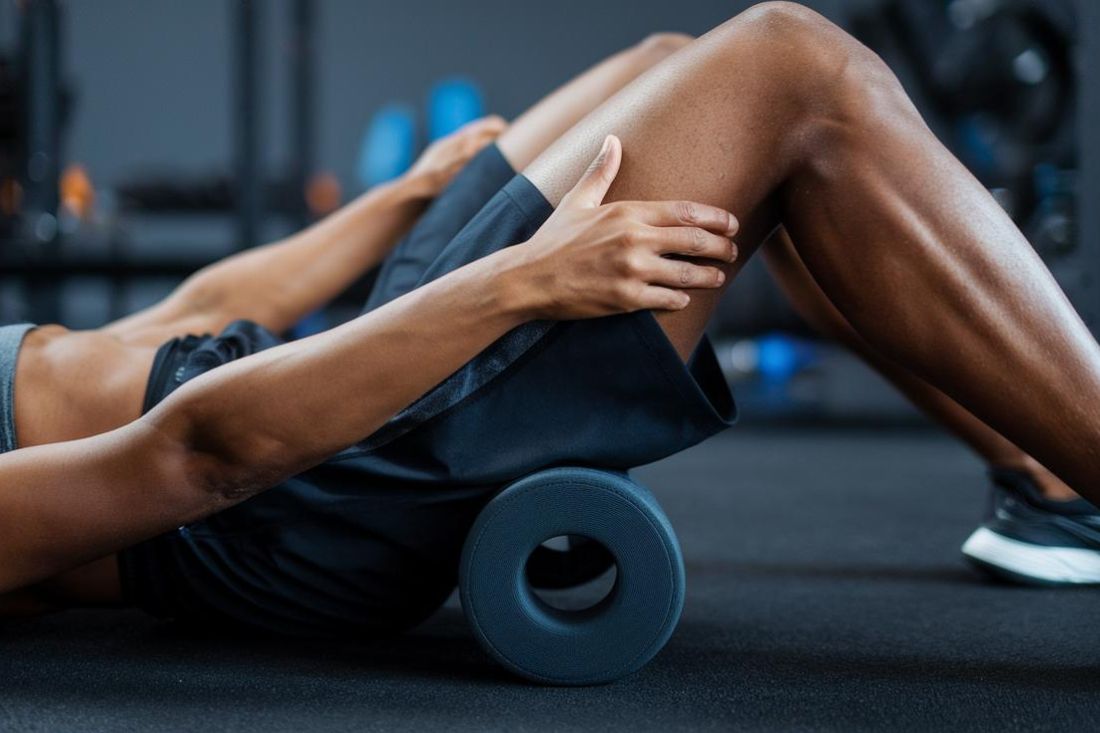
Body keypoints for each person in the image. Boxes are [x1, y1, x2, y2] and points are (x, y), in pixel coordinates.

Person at [2, 3, 1098, 629]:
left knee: (670, 65)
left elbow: (199, 310)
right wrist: (518, 280)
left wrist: (406, 200)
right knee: (788, 69)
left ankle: (1045, 489)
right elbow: (201, 455)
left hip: (303, 390)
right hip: (316, 492)